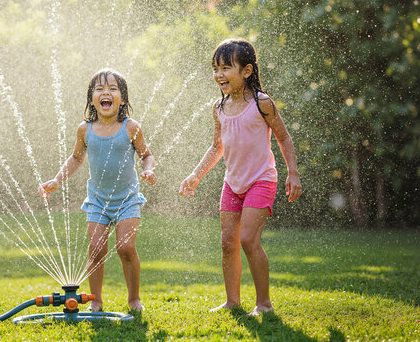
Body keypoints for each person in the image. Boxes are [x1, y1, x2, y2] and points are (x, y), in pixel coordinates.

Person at [179, 38, 302, 316]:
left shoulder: (262, 103)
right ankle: (232, 301)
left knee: (248, 240)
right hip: (232, 183)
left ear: (246, 71)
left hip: (261, 179)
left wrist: (292, 173)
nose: (218, 75)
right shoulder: (219, 108)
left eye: (225, 68)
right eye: (215, 69)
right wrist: (196, 174)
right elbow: (216, 147)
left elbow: (283, 137)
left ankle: (264, 304)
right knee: (227, 243)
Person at [38, 68, 156, 312]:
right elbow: (76, 158)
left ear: (122, 99)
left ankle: (134, 298)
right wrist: (57, 180)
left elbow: (147, 155)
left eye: (113, 89)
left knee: (126, 248)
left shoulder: (130, 127)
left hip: (127, 199)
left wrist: (149, 170)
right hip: (97, 200)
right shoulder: (85, 129)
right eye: (100, 89)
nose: (106, 92)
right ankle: (96, 300)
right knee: (96, 249)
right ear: (92, 97)